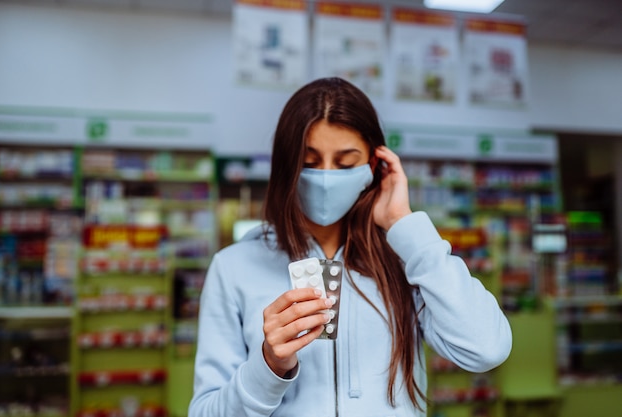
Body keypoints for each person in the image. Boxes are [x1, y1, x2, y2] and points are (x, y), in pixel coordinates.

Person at [188, 77, 512, 417]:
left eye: (344, 164)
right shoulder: (233, 267)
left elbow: (486, 348)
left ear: (373, 166)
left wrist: (405, 225)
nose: (326, 178)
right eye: (310, 162)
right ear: (286, 165)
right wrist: (269, 365)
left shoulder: (406, 261)